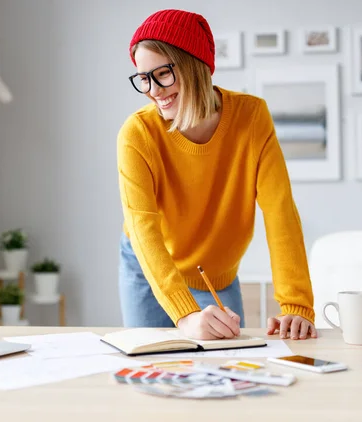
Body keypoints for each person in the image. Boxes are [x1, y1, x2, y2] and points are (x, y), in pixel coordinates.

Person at [116, 9, 317, 341]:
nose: (153, 90)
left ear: (196, 65)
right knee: (153, 365)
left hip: (215, 273)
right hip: (148, 266)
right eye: (143, 78)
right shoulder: (137, 133)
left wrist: (296, 305)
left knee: (225, 368)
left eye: (163, 73)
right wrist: (185, 316)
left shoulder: (251, 119)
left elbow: (280, 212)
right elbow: (142, 229)